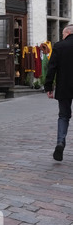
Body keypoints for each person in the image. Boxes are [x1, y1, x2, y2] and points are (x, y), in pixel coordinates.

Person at [45, 24, 73, 162]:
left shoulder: (59, 46)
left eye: (62, 34)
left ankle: (60, 142)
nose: (62, 36)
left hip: (64, 87)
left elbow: (52, 68)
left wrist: (48, 86)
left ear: (67, 33)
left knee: (63, 116)